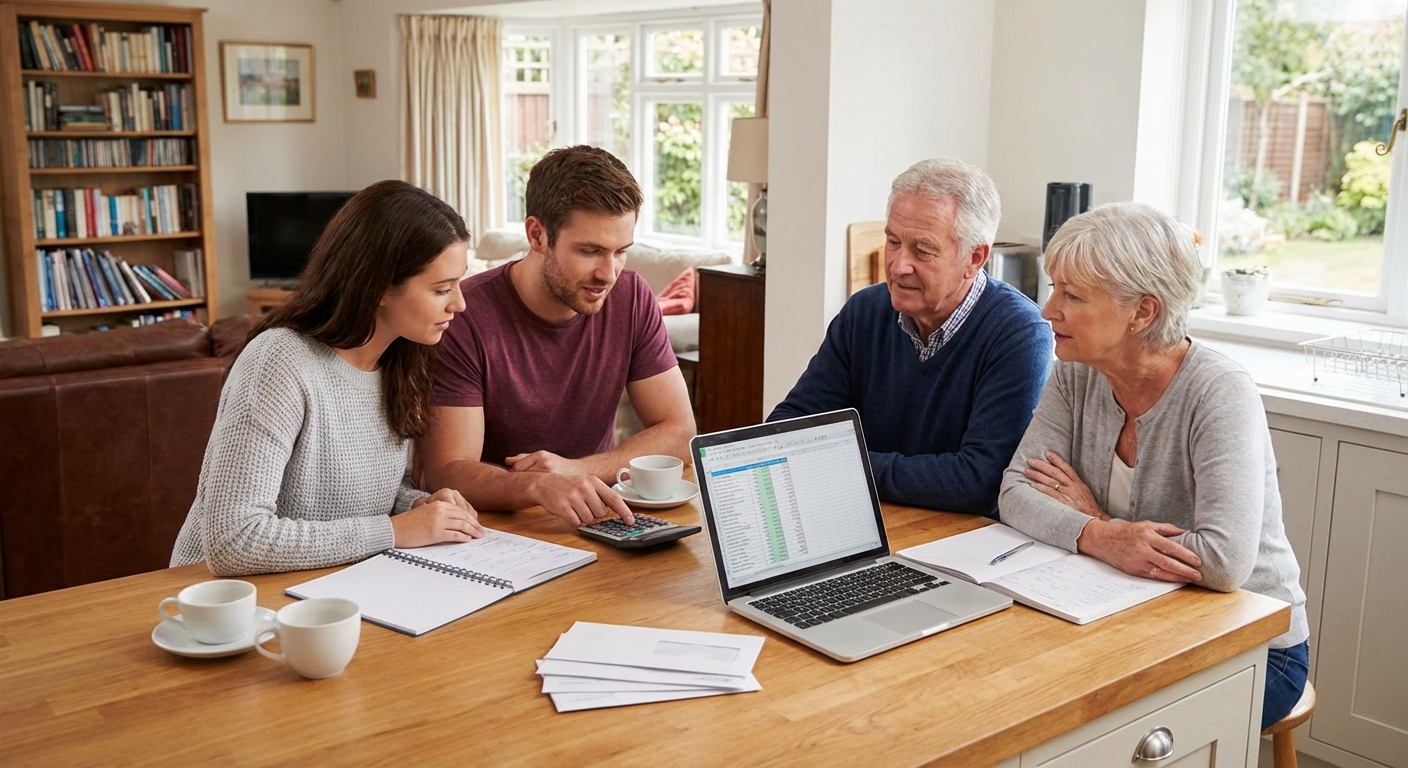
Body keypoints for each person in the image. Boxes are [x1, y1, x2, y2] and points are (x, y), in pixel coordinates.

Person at [997, 201, 1308, 729]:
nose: (1048, 310)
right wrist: (1102, 535)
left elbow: (1223, 561)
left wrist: (1099, 525)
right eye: (1055, 288)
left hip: (1254, 647)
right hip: (1131, 615)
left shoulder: (1219, 392)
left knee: (1086, 731)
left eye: (1072, 295)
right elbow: (1013, 493)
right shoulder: (1076, 373)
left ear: (1143, 312)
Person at [171, 180, 485, 576]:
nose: (460, 303)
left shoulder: (400, 361)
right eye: (442, 289)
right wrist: (393, 531)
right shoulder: (279, 362)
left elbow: (369, 499)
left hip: (328, 588)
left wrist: (416, 507)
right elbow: (234, 541)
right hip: (221, 605)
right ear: (380, 287)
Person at [422, 145, 695, 528]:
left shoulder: (631, 297)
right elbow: (447, 471)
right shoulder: (464, 317)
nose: (608, 273)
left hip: (596, 518)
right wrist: (539, 486)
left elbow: (680, 433)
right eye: (590, 251)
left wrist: (575, 471)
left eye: (621, 252)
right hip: (496, 529)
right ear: (537, 234)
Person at [768, 158, 1052, 516]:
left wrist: (840, 464)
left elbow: (980, 480)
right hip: (864, 518)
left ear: (974, 258)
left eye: (923, 250)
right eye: (893, 241)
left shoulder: (1020, 334)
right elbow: (788, 426)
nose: (898, 265)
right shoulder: (865, 312)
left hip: (957, 540)